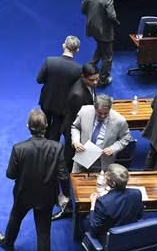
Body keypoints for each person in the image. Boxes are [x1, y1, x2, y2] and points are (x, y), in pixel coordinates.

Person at [0, 109, 69, 251]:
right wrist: (65, 195)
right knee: (44, 233)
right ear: (47, 126)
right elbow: (63, 175)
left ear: (27, 126)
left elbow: (10, 175)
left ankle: (8, 244)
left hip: (23, 193)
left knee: (15, 218)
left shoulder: (19, 148)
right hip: (47, 195)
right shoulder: (57, 147)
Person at [52, 62, 100, 221]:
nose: (95, 83)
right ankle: (66, 197)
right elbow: (77, 123)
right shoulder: (77, 95)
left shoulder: (88, 85)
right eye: (92, 80)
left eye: (96, 79)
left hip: (83, 129)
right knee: (68, 163)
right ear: (83, 77)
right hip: (75, 132)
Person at [36, 35, 82, 141]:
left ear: (64, 46)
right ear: (77, 50)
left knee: (44, 125)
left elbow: (39, 80)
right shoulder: (79, 69)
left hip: (47, 100)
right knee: (56, 130)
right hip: (63, 105)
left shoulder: (49, 61)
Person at [71, 94, 131, 172]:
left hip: (102, 161)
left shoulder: (119, 121)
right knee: (76, 181)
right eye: (99, 113)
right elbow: (75, 127)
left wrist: (113, 149)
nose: (102, 116)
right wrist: (76, 141)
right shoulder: (84, 111)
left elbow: (126, 138)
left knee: (98, 183)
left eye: (106, 113)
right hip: (82, 156)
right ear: (94, 108)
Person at [82, 0, 119, 86]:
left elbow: (83, 10)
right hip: (104, 30)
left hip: (92, 28)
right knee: (108, 56)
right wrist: (117, 22)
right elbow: (111, 15)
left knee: (99, 49)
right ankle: (103, 79)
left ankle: (87, 71)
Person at [86, 164, 143, 238]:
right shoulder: (137, 193)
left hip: (110, 239)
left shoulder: (103, 202)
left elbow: (94, 229)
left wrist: (93, 205)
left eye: (107, 175)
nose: (105, 175)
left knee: (84, 220)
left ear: (113, 184)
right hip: (130, 233)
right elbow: (139, 216)